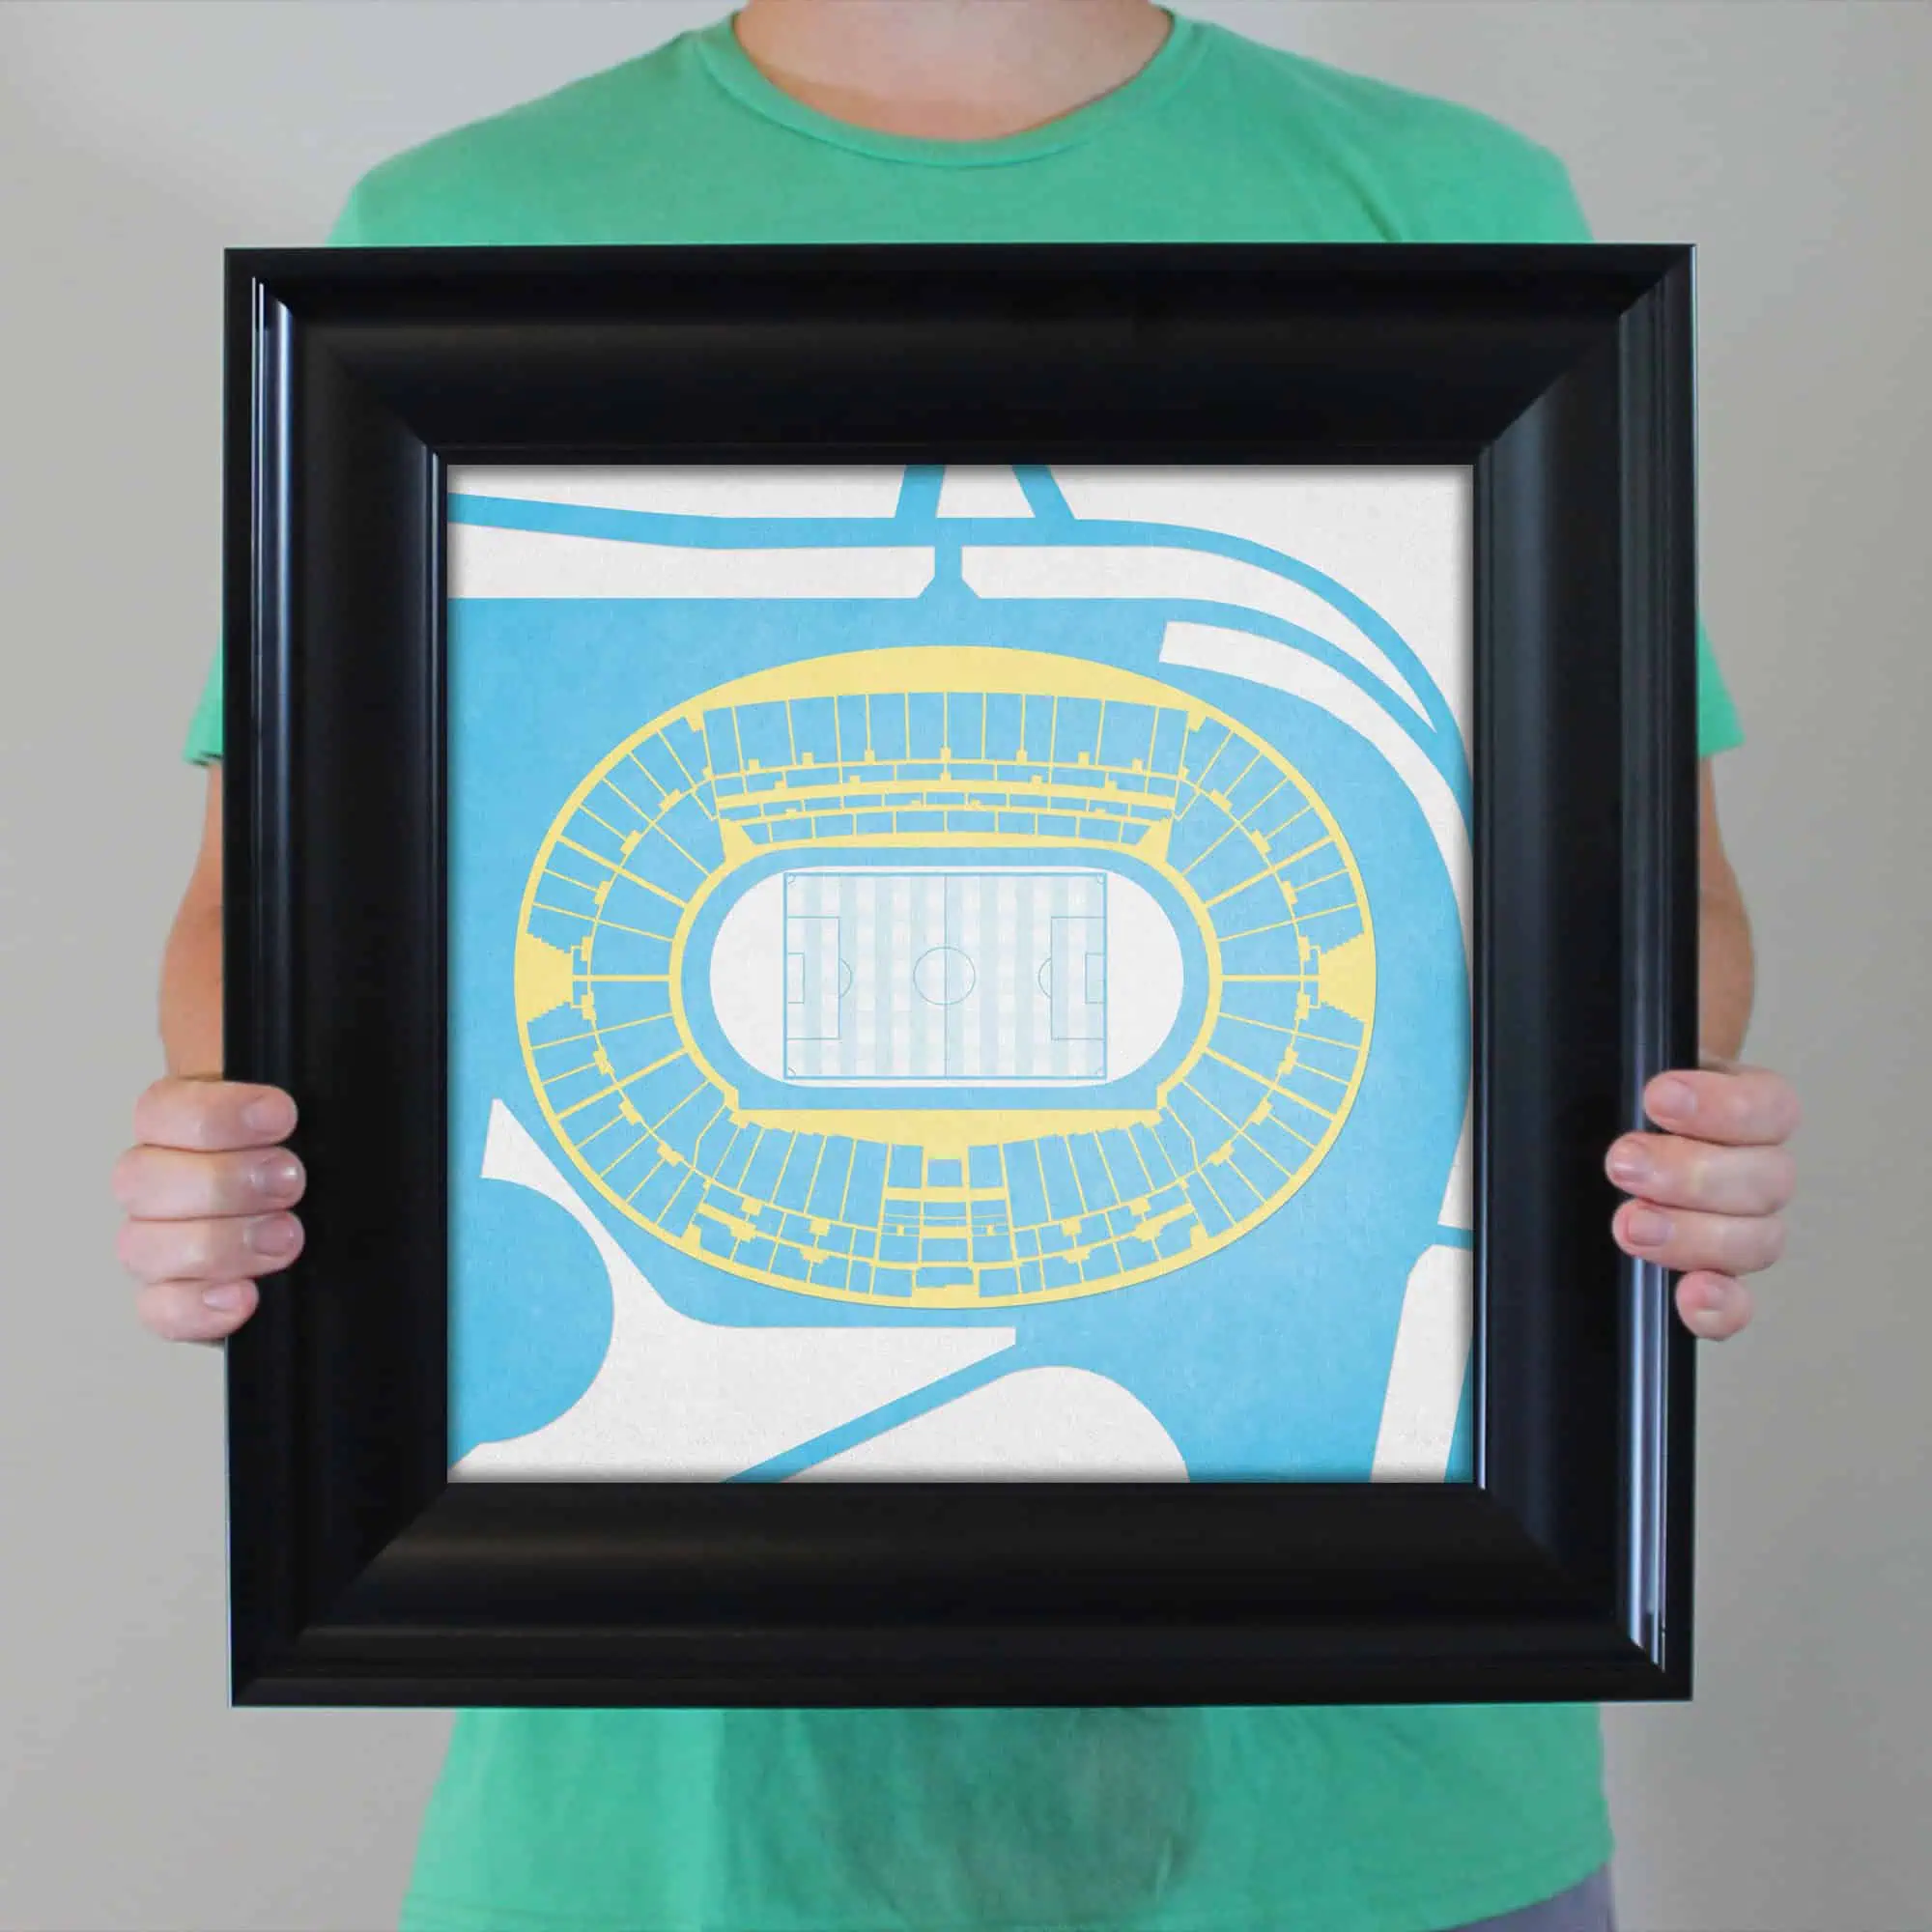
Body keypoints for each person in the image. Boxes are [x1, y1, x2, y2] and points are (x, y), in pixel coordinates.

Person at [111, 5, 1802, 1929]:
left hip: (1367, 1809)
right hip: (679, 1827)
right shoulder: (460, 230)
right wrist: (255, 1169)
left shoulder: (1449, 205)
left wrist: (1657, 1141)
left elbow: (1645, 897)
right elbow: (271, 921)